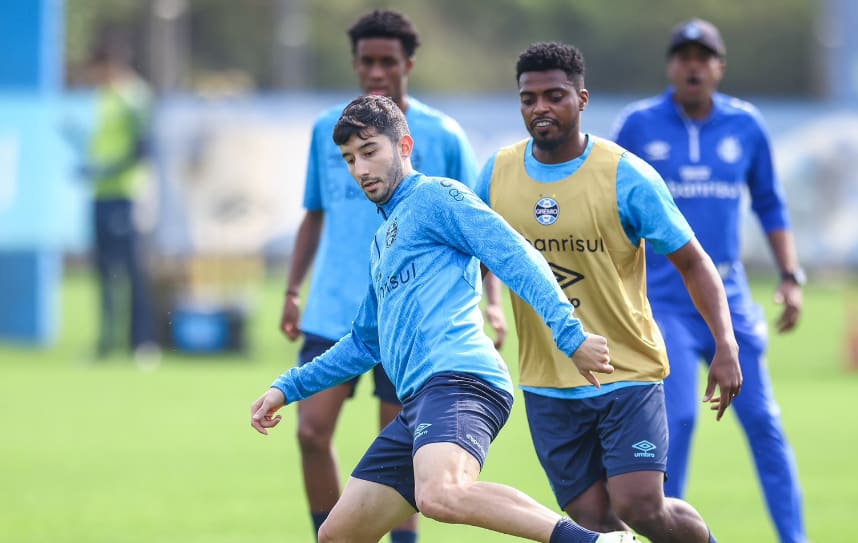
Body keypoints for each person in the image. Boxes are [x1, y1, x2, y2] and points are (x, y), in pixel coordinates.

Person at [253, 95, 635, 543]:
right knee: (337, 535)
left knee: (441, 494)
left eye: (370, 151)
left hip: (460, 380)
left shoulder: (438, 196)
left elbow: (515, 255)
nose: (360, 169)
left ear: (405, 145)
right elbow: (364, 343)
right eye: (350, 159)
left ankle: (592, 542)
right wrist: (288, 386)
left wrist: (569, 334)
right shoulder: (381, 242)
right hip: (419, 401)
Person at [477, 42, 742, 543]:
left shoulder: (626, 174)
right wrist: (489, 307)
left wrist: (726, 345)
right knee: (595, 524)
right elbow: (475, 252)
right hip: (547, 381)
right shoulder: (495, 175)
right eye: (528, 99)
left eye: (554, 96)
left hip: (628, 372)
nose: (540, 109)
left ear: (581, 98)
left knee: (640, 506)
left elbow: (694, 262)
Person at [278, 10, 504, 543]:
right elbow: (314, 212)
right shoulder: (327, 131)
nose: (376, 72)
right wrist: (292, 290)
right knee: (311, 432)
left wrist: (491, 302)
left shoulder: (440, 134)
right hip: (335, 309)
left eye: (388, 62)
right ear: (355, 65)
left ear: (409, 64)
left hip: (413, 318)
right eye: (367, 62)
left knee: (398, 445)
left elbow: (478, 226)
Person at [611, 18, 808, 543]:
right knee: (680, 421)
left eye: (704, 56)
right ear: (671, 66)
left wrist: (790, 276)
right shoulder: (638, 125)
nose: (692, 65)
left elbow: (769, 202)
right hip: (663, 302)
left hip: (731, 301)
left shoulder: (746, 126)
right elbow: (608, 205)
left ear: (719, 66)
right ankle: (667, 534)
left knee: (764, 424)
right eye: (683, 56)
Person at [72, 31, 158, 361]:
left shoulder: (134, 97)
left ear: (110, 64)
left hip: (127, 195)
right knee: (104, 270)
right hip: (101, 195)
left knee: (133, 271)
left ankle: (142, 344)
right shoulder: (104, 97)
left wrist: (106, 171)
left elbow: (143, 150)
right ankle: (106, 343)